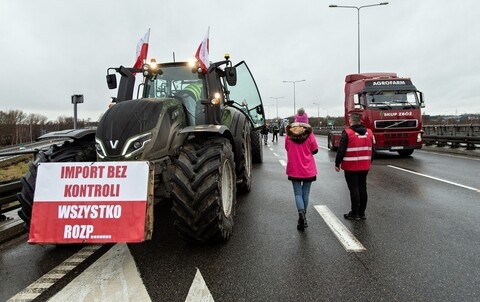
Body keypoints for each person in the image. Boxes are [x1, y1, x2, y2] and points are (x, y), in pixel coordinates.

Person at [335, 112, 375, 221]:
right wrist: (369, 161)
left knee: (354, 189)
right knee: (363, 188)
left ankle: (355, 213)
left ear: (351, 121)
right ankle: (362, 213)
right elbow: (373, 150)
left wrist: (337, 163)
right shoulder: (369, 133)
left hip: (351, 166)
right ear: (360, 120)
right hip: (365, 166)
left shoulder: (347, 133)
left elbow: (341, 150)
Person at [285, 122, 318, 230]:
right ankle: (303, 216)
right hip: (308, 169)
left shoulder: (289, 136)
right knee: (306, 193)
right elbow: (315, 150)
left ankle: (301, 216)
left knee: (298, 194)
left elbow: (287, 148)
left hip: (294, 168)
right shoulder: (310, 135)